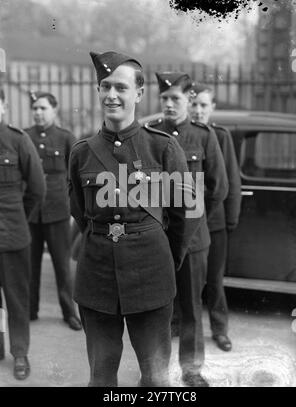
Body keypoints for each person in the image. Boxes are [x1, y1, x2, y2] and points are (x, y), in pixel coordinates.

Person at [69, 51, 202, 387]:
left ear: (139, 94)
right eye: (105, 86)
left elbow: (187, 212)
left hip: (151, 273)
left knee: (156, 378)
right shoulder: (82, 152)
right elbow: (79, 211)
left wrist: (165, 255)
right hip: (97, 276)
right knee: (101, 375)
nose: (112, 95)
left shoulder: (162, 149)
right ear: (98, 91)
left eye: (121, 88)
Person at [148, 72, 228, 387]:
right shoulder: (149, 134)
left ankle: (191, 369)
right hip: (157, 237)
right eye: (164, 98)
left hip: (193, 239)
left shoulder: (205, 136)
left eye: (176, 99)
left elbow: (218, 187)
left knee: (192, 307)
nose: (169, 104)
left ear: (189, 100)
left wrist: (190, 216)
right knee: (158, 307)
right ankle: (155, 369)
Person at [189, 83, 241, 351]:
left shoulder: (220, 136)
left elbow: (230, 181)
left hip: (214, 222)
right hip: (187, 224)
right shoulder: (181, 136)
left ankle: (219, 329)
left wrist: (230, 220)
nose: (198, 111)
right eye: (194, 104)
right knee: (186, 279)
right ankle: (180, 323)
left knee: (214, 279)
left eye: (203, 105)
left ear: (212, 109)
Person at [25, 91, 82, 331]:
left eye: (43, 108)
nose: (38, 112)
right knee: (30, 264)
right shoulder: (24, 137)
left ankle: (69, 312)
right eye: (35, 108)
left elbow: (75, 175)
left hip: (57, 211)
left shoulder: (66, 138)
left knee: (61, 265)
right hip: (29, 212)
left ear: (54, 110)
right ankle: (30, 310)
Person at [0, 87, 45, 379]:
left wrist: (20, 219)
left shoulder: (18, 140)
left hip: (13, 236)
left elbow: (37, 188)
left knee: (17, 299)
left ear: (3, 106)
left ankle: (20, 353)